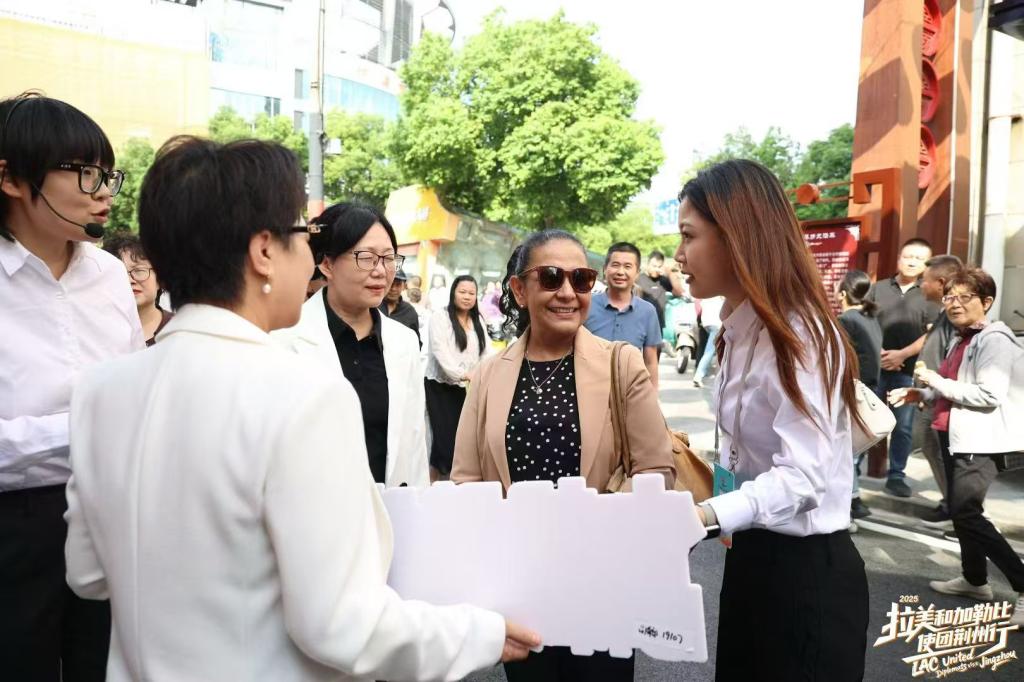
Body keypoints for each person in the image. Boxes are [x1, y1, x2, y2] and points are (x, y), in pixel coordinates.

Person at [63, 136, 539, 681]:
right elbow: (341, 626)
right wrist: (481, 632)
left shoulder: (100, 391)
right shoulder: (303, 395)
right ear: (264, 251)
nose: (311, 256)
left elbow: (87, 573)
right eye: (302, 236)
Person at [452, 229, 675, 681]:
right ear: (519, 290)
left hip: (601, 583)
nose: (568, 292)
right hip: (521, 588)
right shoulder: (489, 375)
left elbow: (655, 469)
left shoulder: (621, 363)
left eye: (582, 279)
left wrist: (586, 533)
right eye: (552, 277)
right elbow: (466, 479)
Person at [677, 160, 869, 680]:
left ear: (736, 235)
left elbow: (803, 477)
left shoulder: (801, 335)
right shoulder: (736, 330)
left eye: (689, 236)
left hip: (805, 576)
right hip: (751, 556)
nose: (678, 255)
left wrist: (705, 515)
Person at [0, 92, 142, 681]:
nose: (104, 191)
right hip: (14, 528)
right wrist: (90, 428)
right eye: (85, 173)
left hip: (111, 514)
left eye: (108, 174)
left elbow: (135, 390)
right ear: (11, 179)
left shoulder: (109, 274)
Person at [888, 266, 1024, 627]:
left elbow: (988, 394)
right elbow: (951, 388)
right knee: (963, 511)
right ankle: (974, 581)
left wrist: (933, 379)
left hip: (981, 440)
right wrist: (920, 393)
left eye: (965, 297)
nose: (954, 303)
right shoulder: (962, 338)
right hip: (955, 434)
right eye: (950, 296)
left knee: (965, 513)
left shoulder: (994, 340)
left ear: (987, 302)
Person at [273, 202, 428, 488]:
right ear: (327, 264)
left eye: (389, 258)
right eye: (366, 257)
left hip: (391, 509)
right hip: (314, 506)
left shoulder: (404, 342)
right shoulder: (283, 339)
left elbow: (415, 444)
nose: (381, 271)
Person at [866, 237, 941, 498]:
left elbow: (931, 333)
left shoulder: (928, 294)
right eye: (908, 256)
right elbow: (863, 321)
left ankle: (896, 476)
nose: (912, 262)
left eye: (919, 259)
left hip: (906, 373)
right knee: (864, 423)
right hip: (874, 371)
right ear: (899, 258)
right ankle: (850, 476)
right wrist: (877, 351)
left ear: (926, 264)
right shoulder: (877, 289)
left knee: (903, 427)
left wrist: (902, 354)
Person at [425, 275, 490, 480]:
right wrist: (463, 374)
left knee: (458, 440)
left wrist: (482, 372)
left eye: (471, 293)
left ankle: (448, 485)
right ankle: (432, 484)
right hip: (438, 386)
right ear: (453, 292)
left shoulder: (478, 321)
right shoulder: (440, 318)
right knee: (441, 440)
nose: (467, 297)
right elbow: (440, 351)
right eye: (462, 292)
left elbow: (486, 352)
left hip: (462, 389)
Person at [914, 254, 962, 528]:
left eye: (925, 280)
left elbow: (951, 361)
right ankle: (951, 504)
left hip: (941, 398)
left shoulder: (954, 317)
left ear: (941, 282)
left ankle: (959, 510)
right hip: (930, 396)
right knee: (933, 450)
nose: (922, 285)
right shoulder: (944, 314)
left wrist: (932, 390)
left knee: (942, 453)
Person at [836, 269, 882, 524]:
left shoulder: (846, 320)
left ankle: (852, 503)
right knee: (852, 451)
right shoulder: (871, 317)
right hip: (870, 390)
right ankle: (853, 502)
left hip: (851, 390)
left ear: (843, 294)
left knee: (844, 451)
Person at [583, 241, 662, 389]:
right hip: (589, 389)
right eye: (615, 265)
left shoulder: (647, 311)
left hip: (630, 392)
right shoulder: (586, 305)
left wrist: (653, 396)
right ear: (605, 269)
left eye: (627, 266)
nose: (620, 272)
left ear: (637, 273)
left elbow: (651, 361)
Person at [102, 231, 173, 346]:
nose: (130, 280)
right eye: (119, 273)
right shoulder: (96, 333)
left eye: (139, 271)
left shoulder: (180, 329)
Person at [636, 249, 683, 342]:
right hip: (641, 323)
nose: (656, 269)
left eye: (659, 266)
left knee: (656, 350)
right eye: (654, 266)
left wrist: (669, 273)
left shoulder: (663, 280)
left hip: (658, 324)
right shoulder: (639, 279)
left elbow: (679, 292)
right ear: (648, 264)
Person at [379, 268, 421, 342]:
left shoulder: (409, 312)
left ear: (404, 286)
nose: (393, 288)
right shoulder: (373, 307)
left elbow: (416, 341)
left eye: (398, 284)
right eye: (391, 283)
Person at [691, 296, 724, 388]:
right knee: (709, 351)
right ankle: (698, 375)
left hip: (707, 324)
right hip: (716, 324)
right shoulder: (720, 296)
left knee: (711, 349)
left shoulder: (708, 294)